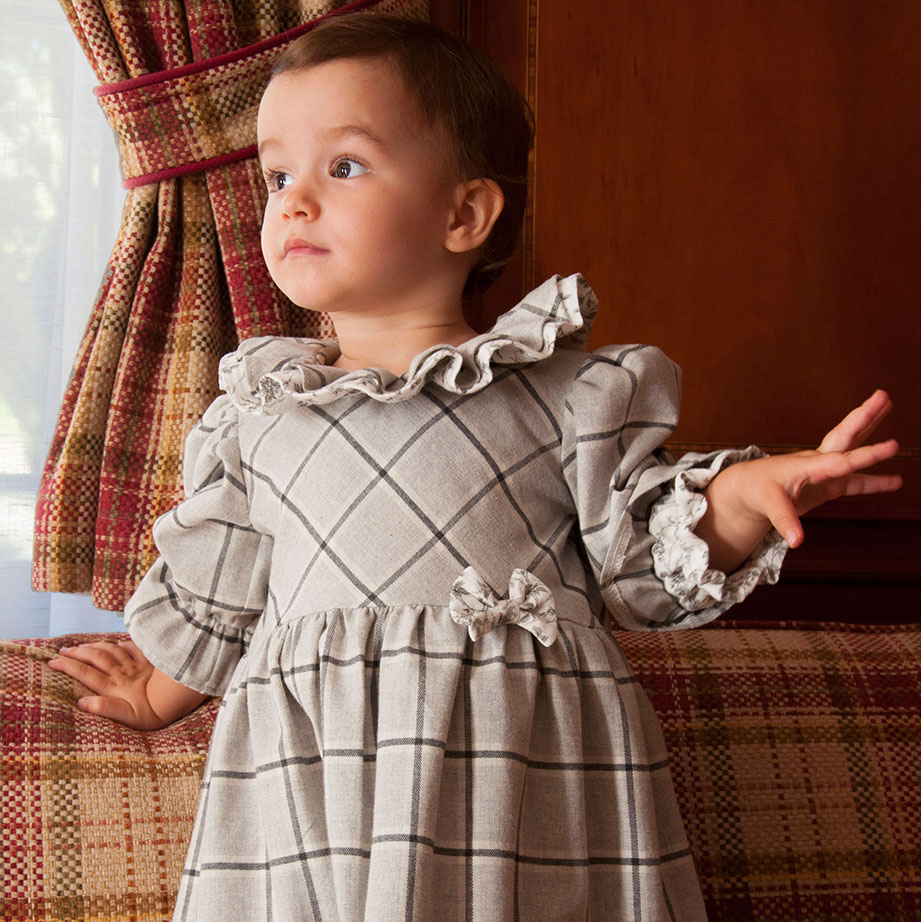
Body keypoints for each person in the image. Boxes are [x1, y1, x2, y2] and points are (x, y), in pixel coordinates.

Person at [48, 14, 902, 921]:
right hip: (315, 781)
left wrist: (739, 498)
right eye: (276, 175)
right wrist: (156, 692)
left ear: (465, 213)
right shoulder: (260, 417)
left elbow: (643, 562)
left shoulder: (563, 395)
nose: (293, 202)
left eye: (343, 167)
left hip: (519, 772)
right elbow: (225, 594)